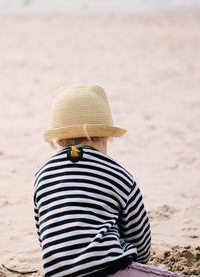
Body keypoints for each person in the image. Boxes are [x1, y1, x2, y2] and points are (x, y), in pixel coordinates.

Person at [34, 85, 183, 277]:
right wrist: (138, 264)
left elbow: (44, 233)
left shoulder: (42, 175)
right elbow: (139, 237)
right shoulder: (117, 173)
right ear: (105, 138)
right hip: (110, 268)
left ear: (59, 141)